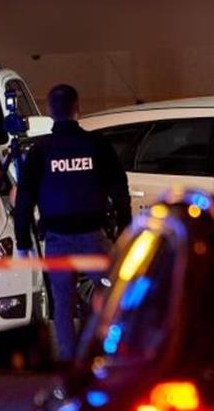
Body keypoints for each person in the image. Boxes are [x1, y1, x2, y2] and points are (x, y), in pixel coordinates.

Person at [14, 84, 131, 362]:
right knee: (114, 295)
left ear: (49, 111)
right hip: (93, 236)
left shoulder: (40, 150)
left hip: (57, 238)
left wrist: (22, 241)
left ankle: (70, 361)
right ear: (78, 108)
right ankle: (112, 354)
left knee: (63, 304)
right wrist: (126, 232)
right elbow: (119, 191)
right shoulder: (97, 145)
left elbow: (25, 199)